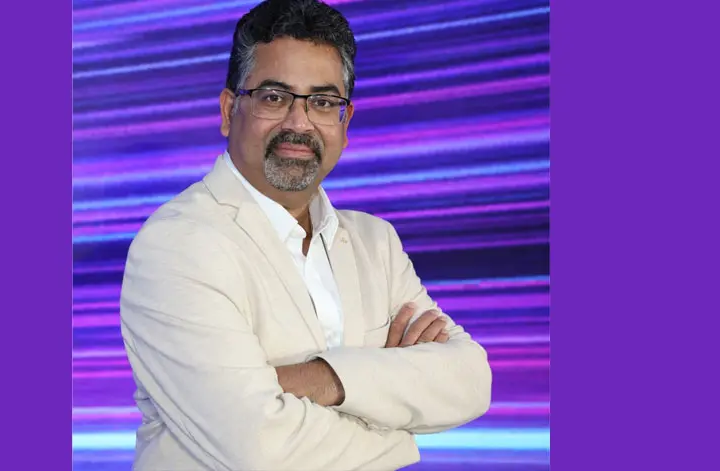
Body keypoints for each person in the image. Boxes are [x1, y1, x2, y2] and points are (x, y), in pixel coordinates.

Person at [119, 0, 492, 469]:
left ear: (345, 122)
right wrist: (398, 432)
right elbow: (260, 449)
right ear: (230, 110)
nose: (299, 123)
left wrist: (320, 379)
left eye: (322, 102)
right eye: (274, 97)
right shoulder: (178, 245)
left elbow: (471, 381)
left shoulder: (375, 242)